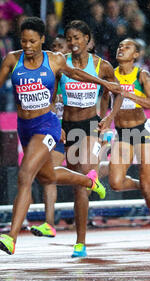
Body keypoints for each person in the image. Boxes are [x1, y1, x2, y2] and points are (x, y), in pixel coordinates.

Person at [0, 17, 120, 256]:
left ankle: (11, 237)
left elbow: (77, 74)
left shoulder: (54, 60)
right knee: (47, 176)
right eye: (24, 41)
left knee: (25, 174)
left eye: (33, 41)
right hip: (24, 126)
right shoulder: (13, 59)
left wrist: (104, 84)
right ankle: (88, 181)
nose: (28, 46)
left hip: (47, 125)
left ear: (42, 40)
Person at [59, 20, 124, 258]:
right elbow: (53, 95)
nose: (73, 42)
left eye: (77, 37)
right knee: (78, 187)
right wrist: (57, 125)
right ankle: (80, 241)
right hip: (66, 124)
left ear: (88, 39)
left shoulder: (102, 65)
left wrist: (109, 118)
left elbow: (119, 93)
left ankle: (80, 241)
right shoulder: (61, 63)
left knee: (85, 170)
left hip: (88, 125)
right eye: (70, 38)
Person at [106, 38, 150, 244]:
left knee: (149, 190)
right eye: (119, 45)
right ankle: (143, 186)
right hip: (122, 133)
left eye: (127, 47)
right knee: (115, 183)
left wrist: (130, 95)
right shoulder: (110, 74)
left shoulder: (142, 74)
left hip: (142, 133)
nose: (121, 48)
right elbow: (105, 101)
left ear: (136, 55)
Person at [30, 35, 69, 238]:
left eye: (60, 47)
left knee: (90, 173)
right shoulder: (48, 74)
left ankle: (93, 181)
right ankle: (49, 223)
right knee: (48, 176)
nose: (56, 51)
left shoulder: (78, 71)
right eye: (53, 47)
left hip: (80, 130)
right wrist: (55, 123)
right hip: (58, 132)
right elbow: (48, 102)